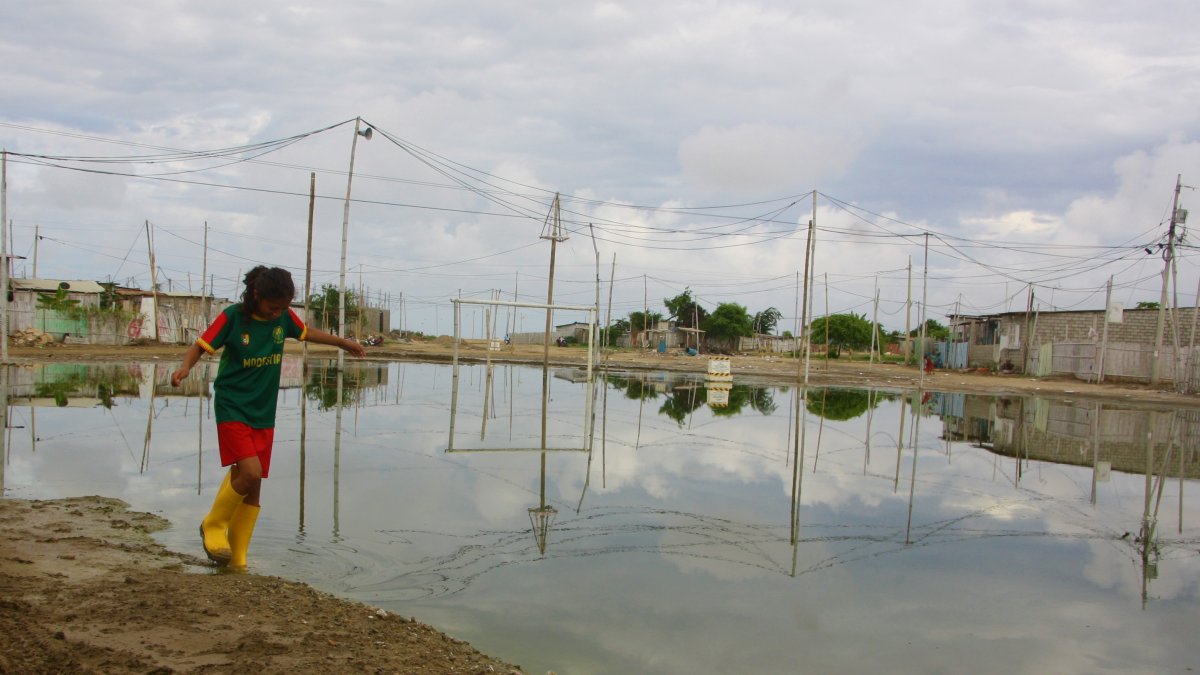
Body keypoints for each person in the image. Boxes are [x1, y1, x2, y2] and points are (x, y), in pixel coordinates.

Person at [171, 266, 366, 569]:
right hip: (233, 406)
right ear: (257, 295)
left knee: (255, 482)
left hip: (263, 411)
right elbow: (199, 346)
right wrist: (185, 368)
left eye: (284, 307)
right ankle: (212, 525)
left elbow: (307, 332)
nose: (279, 313)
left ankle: (237, 561)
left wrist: (342, 342)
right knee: (249, 472)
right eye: (274, 307)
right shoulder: (234, 317)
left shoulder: (284, 319)